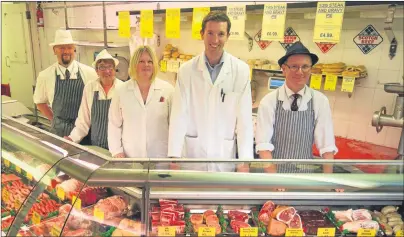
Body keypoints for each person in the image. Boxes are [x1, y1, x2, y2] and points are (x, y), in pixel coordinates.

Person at [168, 11, 254, 172]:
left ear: (228, 36)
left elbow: (244, 120)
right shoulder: (186, 71)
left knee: (221, 196)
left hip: (224, 154)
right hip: (194, 154)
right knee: (192, 195)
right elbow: (179, 115)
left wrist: (245, 161)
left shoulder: (240, 70)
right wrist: (174, 155)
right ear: (202, 34)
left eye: (221, 34)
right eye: (210, 33)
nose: (215, 40)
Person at [255, 41, 338, 175]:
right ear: (284, 69)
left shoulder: (320, 101)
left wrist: (330, 181)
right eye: (294, 66)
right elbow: (263, 146)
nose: (300, 72)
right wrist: (274, 181)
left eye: (305, 66)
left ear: (310, 69)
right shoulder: (269, 101)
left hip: (305, 175)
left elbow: (326, 146)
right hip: (272, 173)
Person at [108, 45, 174, 158]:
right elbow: (114, 124)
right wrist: (116, 151)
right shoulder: (121, 91)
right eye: (141, 61)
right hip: (130, 156)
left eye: (150, 61)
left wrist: (174, 155)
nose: (146, 65)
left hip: (161, 155)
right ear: (134, 64)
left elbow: (175, 124)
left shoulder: (168, 90)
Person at [33, 30, 98, 138]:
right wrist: (55, 120)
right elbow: (40, 102)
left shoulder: (89, 73)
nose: (66, 51)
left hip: (86, 130)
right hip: (59, 132)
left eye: (69, 47)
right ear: (54, 50)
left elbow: (97, 100)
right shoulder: (45, 75)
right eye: (62, 48)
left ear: (74, 50)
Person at [64, 49, 123, 149]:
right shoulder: (90, 88)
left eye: (110, 67)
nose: (107, 71)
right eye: (102, 67)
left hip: (119, 149)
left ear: (115, 69)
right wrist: (72, 139)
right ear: (96, 71)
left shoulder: (123, 88)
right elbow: (83, 121)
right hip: (97, 148)